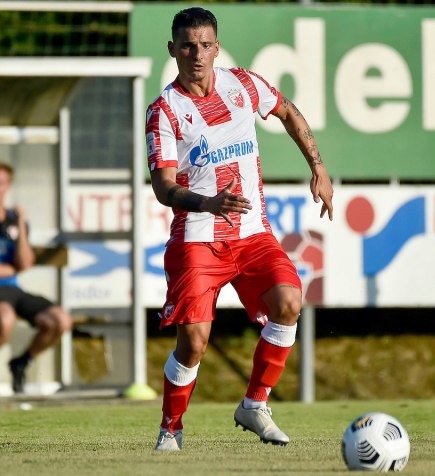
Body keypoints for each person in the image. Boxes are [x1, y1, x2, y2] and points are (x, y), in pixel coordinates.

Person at [146, 7, 334, 451]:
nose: (197, 54)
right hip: (198, 239)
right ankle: (171, 428)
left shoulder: (243, 85)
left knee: (289, 302)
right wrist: (208, 203)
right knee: (194, 344)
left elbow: (288, 111)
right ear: (172, 49)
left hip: (251, 233)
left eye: (205, 45)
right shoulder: (165, 111)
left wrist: (318, 166)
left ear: (217, 47)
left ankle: (255, 404)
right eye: (187, 46)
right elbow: (163, 187)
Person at [0, 160, 73, 395]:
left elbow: (25, 262)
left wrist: (20, 224)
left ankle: (21, 363)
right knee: (5, 316)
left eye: (0, 183)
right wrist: (13, 269)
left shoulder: (15, 220)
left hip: (12, 290)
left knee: (60, 320)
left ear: (8, 185)